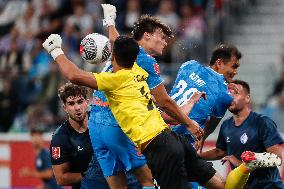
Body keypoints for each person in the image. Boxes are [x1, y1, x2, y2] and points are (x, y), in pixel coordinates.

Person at [42, 34, 280, 189]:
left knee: (147, 180)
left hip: (159, 148)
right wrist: (188, 113)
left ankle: (247, 165)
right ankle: (247, 165)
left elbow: (74, 75)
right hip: (173, 138)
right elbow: (163, 107)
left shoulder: (114, 80)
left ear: (113, 57)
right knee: (223, 186)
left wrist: (55, 50)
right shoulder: (141, 75)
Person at [88, 4, 203, 189]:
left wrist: (109, 20)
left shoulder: (122, 49)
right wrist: (189, 124)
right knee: (148, 180)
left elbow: (114, 38)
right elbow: (164, 101)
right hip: (115, 123)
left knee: (118, 185)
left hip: (95, 120)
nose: (165, 42)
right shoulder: (145, 60)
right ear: (147, 36)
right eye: (161, 37)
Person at [199, 79, 284, 189]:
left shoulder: (262, 122)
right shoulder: (226, 125)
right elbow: (220, 151)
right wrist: (197, 156)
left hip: (268, 186)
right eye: (229, 94)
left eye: (236, 93)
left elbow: (276, 158)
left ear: (247, 98)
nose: (230, 97)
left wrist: (242, 164)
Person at [168, 43, 241, 149]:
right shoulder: (224, 95)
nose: (235, 72)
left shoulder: (189, 65)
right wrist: (201, 139)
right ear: (219, 63)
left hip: (159, 125)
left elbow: (199, 82)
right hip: (182, 140)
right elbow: (211, 125)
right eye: (233, 66)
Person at [50, 82, 110, 189]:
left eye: (80, 102)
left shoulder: (103, 121)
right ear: (65, 108)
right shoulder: (60, 138)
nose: (77, 107)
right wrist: (91, 175)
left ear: (87, 102)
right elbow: (60, 178)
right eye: (71, 104)